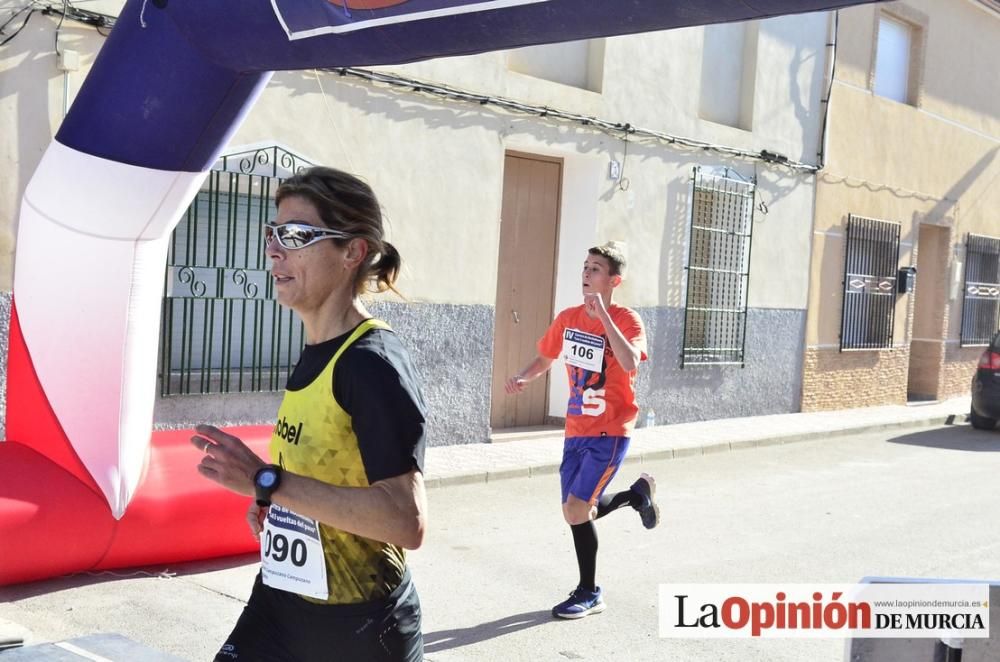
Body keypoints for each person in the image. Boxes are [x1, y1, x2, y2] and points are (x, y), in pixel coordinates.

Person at [191, 166, 427, 661]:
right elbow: (324, 473)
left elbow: (406, 521)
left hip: (359, 626)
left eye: (296, 235)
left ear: (352, 252)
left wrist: (270, 480)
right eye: (272, 234)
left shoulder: (371, 364)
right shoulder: (317, 348)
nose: (274, 250)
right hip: (281, 601)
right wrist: (274, 502)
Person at [505, 241, 658, 620]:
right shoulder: (568, 318)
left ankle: (590, 592)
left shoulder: (627, 320)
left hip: (611, 429)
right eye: (585, 267)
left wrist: (604, 316)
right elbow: (546, 355)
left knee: (577, 509)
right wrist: (523, 376)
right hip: (576, 429)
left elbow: (627, 361)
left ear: (613, 280)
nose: (586, 274)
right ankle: (635, 495)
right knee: (576, 508)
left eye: (595, 269)